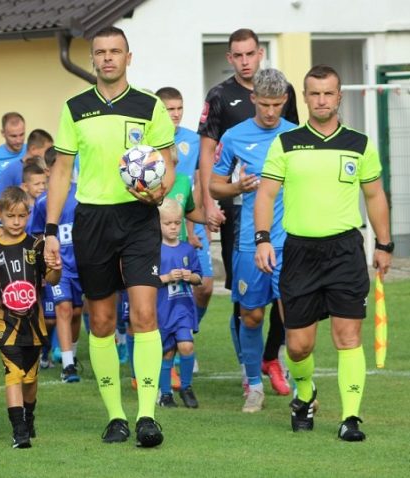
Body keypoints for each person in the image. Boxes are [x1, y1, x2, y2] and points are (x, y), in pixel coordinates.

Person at [45, 26, 175, 448]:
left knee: (143, 315)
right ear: (92, 59)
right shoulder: (75, 107)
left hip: (139, 218)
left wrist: (160, 190)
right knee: (100, 320)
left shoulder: (149, 105)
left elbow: (166, 165)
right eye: (99, 52)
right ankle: (116, 417)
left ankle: (147, 417)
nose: (106, 58)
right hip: (93, 221)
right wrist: (49, 230)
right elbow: (61, 171)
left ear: (128, 57)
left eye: (114, 51)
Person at [254, 64, 392, 441]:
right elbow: (265, 194)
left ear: (339, 96)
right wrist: (263, 238)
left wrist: (383, 243)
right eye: (314, 93)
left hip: (345, 249)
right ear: (305, 97)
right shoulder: (286, 143)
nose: (321, 100)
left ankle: (350, 418)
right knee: (298, 347)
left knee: (348, 337)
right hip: (299, 252)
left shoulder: (359, 144)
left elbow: (375, 195)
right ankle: (304, 395)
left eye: (328, 93)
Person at [198, 29, 298, 394]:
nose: (271, 112)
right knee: (252, 313)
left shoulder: (296, 136)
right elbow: (214, 184)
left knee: (293, 313)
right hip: (247, 241)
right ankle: (253, 382)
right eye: (264, 104)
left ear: (285, 101)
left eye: (277, 105)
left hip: (290, 238)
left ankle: (298, 382)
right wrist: (235, 188)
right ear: (253, 98)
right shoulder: (236, 135)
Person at [0, 186, 61, 448]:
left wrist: (56, 269)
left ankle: (28, 418)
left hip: (34, 323)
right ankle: (19, 431)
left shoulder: (37, 245)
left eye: (22, 216)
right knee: (13, 373)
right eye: (11, 217)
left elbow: (51, 279)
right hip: (4, 323)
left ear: (28, 215)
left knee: (30, 379)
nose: (17, 222)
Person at [155, 87, 213, 327]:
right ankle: (173, 337)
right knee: (162, 286)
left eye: (179, 108)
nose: (176, 114)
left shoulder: (192, 140)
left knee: (205, 286)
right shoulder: (151, 141)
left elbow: (199, 183)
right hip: (161, 225)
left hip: (190, 220)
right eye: (170, 109)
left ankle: (188, 329)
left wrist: (202, 222)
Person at [29, 149, 83, 382]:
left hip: (82, 264)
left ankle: (69, 351)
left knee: (77, 312)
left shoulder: (83, 195)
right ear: (50, 170)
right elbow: (36, 235)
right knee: (63, 309)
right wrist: (41, 266)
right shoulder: (43, 202)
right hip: (58, 266)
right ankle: (68, 366)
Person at [155, 199, 202, 409]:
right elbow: (148, 280)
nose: (173, 227)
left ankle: (186, 387)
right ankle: (165, 394)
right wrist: (166, 277)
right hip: (163, 310)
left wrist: (189, 276)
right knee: (167, 352)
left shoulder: (187, 250)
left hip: (183, 308)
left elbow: (199, 277)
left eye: (177, 222)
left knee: (186, 345)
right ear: (158, 224)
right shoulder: (154, 250)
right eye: (168, 223)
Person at [0, 129, 54, 201]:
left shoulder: (47, 170)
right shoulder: (10, 171)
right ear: (33, 149)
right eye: (47, 150)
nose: (49, 154)